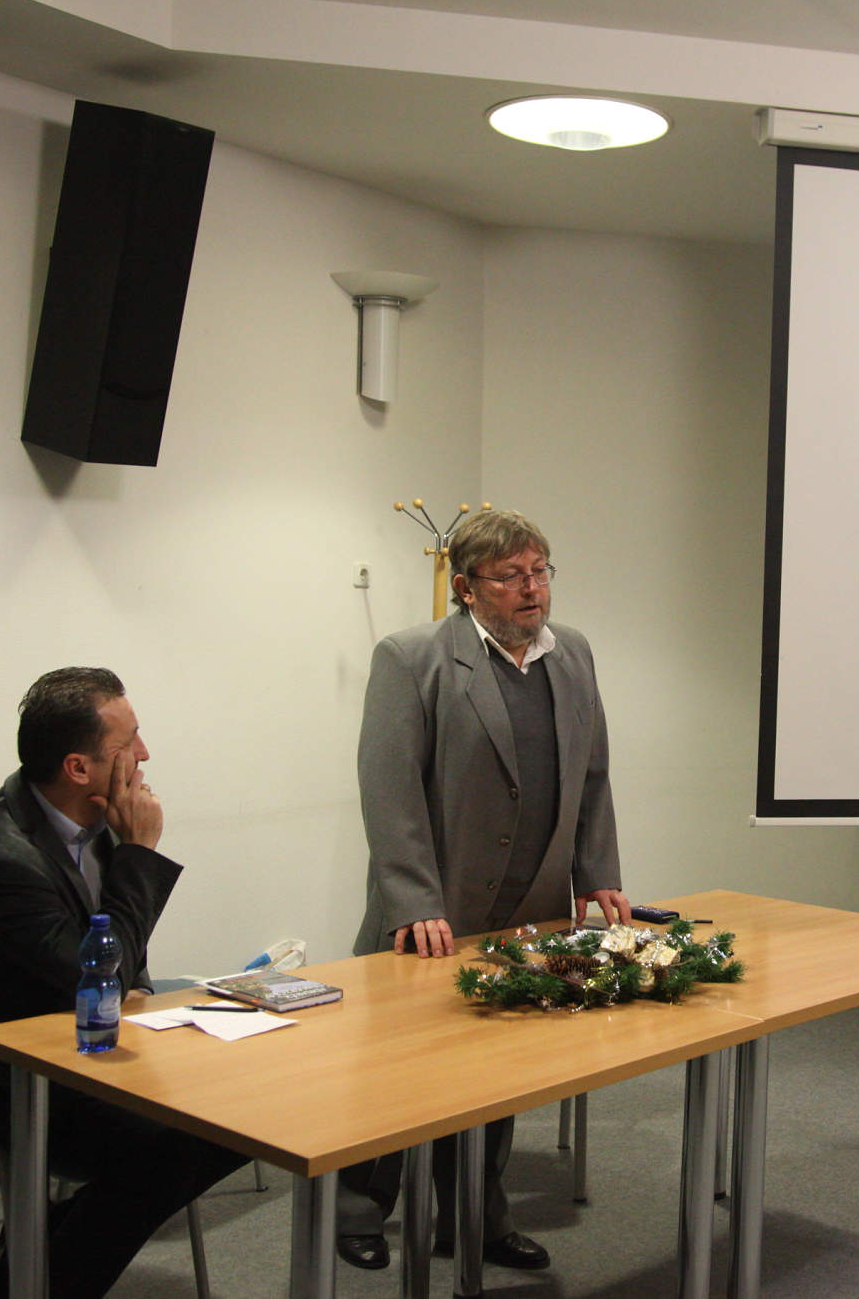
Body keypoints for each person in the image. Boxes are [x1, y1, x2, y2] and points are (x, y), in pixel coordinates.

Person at [336, 509, 631, 1274]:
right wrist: (414, 899)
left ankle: (475, 1216)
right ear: (466, 588)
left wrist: (598, 871)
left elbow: (593, 773)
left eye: (539, 571)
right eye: (510, 576)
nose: (532, 588)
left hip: (531, 907)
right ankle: (359, 1207)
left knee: (495, 1076)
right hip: (437, 908)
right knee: (397, 1071)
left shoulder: (574, 654)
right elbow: (389, 788)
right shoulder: (412, 658)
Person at [0, 667, 246, 1298]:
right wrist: (140, 853)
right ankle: (40, 1278)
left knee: (243, 1111)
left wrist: (135, 985)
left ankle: (45, 1243)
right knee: (176, 1141)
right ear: (77, 767)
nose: (144, 755)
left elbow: (121, 957)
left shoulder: (90, 821)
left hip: (84, 1050)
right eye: (129, 744)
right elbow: (95, 970)